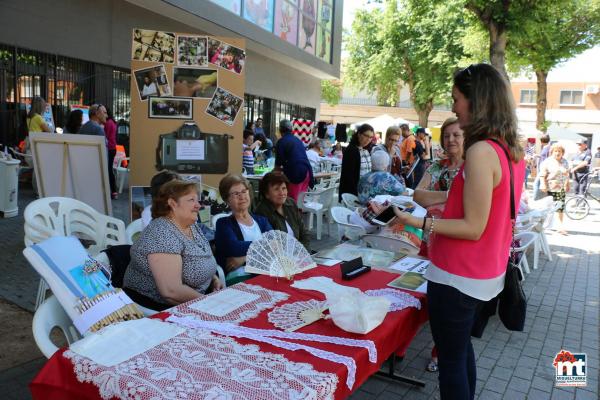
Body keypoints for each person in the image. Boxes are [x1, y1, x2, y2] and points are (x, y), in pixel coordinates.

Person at [392, 63, 525, 400]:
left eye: (456, 99)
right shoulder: (510, 150)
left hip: (457, 276)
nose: (453, 107)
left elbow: (472, 226)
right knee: (460, 351)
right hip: (483, 274)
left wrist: (417, 221)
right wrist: (438, 200)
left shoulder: (480, 151)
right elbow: (482, 204)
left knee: (451, 361)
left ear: (476, 100)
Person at [123, 180, 223, 311]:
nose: (198, 205)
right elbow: (171, 291)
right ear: (173, 203)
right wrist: (211, 303)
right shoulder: (161, 233)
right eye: (191, 200)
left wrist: (212, 278)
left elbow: (202, 258)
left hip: (195, 300)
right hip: (158, 308)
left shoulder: (191, 226)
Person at [214, 174, 272, 280]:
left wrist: (245, 258)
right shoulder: (223, 223)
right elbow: (234, 248)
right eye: (236, 193)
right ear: (227, 200)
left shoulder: (262, 221)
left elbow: (275, 246)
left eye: (244, 191)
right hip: (239, 277)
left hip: (266, 273)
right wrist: (264, 245)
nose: (242, 196)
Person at [413, 117, 464, 214]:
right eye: (446, 136)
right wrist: (450, 195)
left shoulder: (471, 168)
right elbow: (417, 195)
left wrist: (431, 197)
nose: (450, 139)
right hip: (429, 225)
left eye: (456, 135)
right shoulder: (437, 166)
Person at [254, 171, 310, 250]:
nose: (282, 193)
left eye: (284, 188)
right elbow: (270, 246)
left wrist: (304, 253)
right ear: (267, 194)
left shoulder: (290, 203)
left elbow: (304, 233)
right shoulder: (262, 212)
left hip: (299, 254)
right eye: (276, 189)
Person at [274, 119, 314, 201]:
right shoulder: (297, 140)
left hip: (296, 173)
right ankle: (298, 213)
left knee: (292, 201)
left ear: (280, 130)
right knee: (300, 201)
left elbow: (278, 165)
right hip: (307, 172)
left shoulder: (282, 142)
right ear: (291, 129)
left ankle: (293, 213)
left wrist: (270, 174)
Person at [539, 144, 570, 235]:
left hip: (561, 187)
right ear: (552, 152)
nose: (557, 153)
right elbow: (542, 174)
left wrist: (567, 184)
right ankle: (545, 225)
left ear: (562, 153)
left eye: (559, 151)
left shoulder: (565, 161)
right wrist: (543, 184)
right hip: (549, 187)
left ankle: (560, 227)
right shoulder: (547, 161)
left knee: (560, 207)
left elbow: (567, 174)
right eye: (555, 151)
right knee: (548, 207)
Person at [339, 123, 374, 201]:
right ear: (359, 134)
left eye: (371, 137)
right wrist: (356, 195)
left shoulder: (365, 150)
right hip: (352, 194)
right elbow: (349, 177)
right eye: (366, 135)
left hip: (363, 193)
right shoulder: (351, 150)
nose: (368, 139)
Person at [104, 108, 118, 199]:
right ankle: (114, 192)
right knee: (110, 170)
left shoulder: (108, 123)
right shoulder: (112, 122)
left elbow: (105, 136)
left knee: (108, 170)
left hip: (109, 148)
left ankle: (113, 191)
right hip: (113, 147)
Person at [532, 134, 551, 199]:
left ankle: (536, 199)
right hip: (543, 169)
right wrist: (538, 155)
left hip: (544, 170)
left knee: (536, 184)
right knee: (538, 184)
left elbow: (547, 159)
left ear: (541, 141)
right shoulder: (546, 147)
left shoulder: (548, 148)